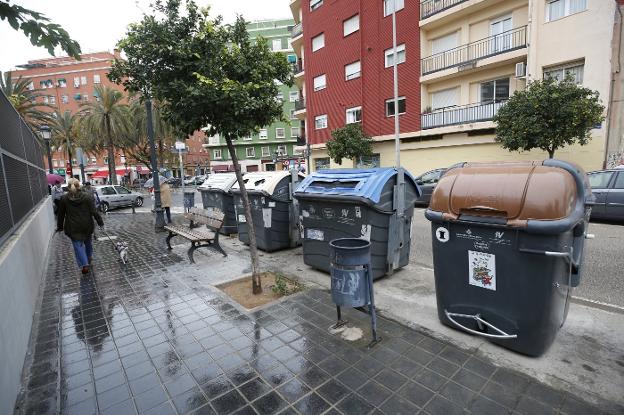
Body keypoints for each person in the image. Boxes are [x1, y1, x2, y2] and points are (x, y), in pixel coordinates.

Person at [57, 178, 104, 274]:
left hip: (73, 226)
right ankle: (89, 256)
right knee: (88, 242)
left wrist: (60, 227)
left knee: (77, 245)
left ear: (68, 187)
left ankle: (84, 264)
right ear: (79, 186)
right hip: (87, 225)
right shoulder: (87, 197)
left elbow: (61, 214)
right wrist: (100, 223)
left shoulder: (64, 199)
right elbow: (94, 211)